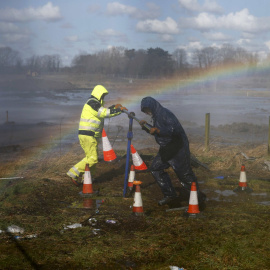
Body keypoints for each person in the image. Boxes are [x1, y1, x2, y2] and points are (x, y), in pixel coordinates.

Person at [139, 96, 206, 207]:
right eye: (145, 111)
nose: (147, 112)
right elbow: (157, 131)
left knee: (184, 175)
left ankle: (198, 199)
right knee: (155, 168)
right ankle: (170, 194)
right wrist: (146, 127)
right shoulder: (156, 116)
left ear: (152, 106)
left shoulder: (165, 113)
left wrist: (157, 130)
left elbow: (173, 130)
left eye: (147, 110)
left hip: (178, 147)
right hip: (166, 148)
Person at [67, 85, 127, 186]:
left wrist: (114, 108)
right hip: (88, 135)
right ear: (98, 94)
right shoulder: (92, 103)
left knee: (90, 157)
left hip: (89, 135)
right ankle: (73, 172)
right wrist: (118, 110)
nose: (103, 98)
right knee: (93, 159)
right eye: (103, 95)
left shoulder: (95, 104)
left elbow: (104, 112)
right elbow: (104, 113)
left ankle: (89, 178)